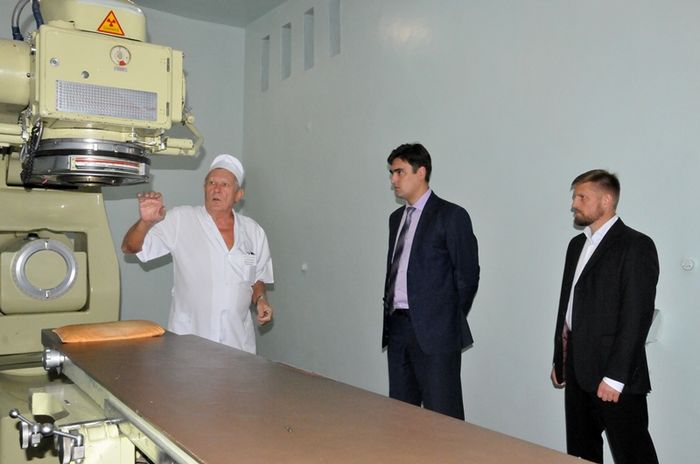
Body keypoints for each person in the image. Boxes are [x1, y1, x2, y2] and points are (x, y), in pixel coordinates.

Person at [551, 169, 659, 463]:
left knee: (633, 455)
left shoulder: (636, 245)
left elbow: (636, 316)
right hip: (576, 369)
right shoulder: (576, 245)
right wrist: (560, 359)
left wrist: (615, 378)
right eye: (574, 197)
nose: (574, 204)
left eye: (582, 197)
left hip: (614, 375)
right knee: (580, 453)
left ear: (607, 200)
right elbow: (568, 306)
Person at [122, 154, 274, 354]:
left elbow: (257, 278)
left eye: (225, 185)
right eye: (211, 183)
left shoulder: (253, 232)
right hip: (189, 344)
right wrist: (145, 222)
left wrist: (261, 299)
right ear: (204, 188)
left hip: (238, 346)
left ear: (239, 195)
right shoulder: (181, 219)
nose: (216, 189)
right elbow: (130, 247)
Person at [382, 143, 479, 420]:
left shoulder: (451, 216)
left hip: (436, 334)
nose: (393, 180)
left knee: (443, 417)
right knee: (402, 414)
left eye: (399, 172)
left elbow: (468, 275)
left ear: (421, 172)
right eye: (391, 173)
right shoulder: (396, 219)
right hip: (398, 327)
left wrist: (444, 317)